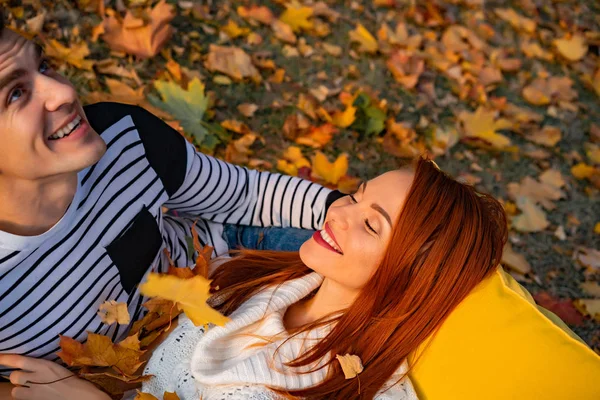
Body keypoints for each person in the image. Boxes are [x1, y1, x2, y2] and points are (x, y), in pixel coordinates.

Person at [0, 14, 343, 397]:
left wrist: (350, 213)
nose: (63, 92)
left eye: (43, 65)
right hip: (143, 386)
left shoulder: (125, 136)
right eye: (15, 93)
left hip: (224, 271)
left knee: (392, 270)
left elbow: (245, 195)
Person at [2, 157, 509, 399]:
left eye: (372, 224)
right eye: (354, 194)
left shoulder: (361, 389)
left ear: (412, 277)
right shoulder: (258, 280)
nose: (338, 212)